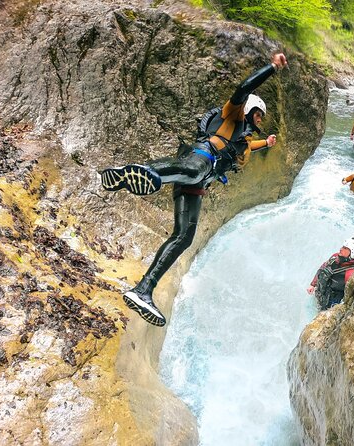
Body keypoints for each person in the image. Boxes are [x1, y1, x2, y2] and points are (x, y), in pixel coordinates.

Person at [100, 53, 289, 326]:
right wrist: (272, 67)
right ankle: (141, 172)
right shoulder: (232, 116)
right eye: (260, 115)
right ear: (250, 111)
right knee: (193, 170)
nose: (261, 120)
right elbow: (242, 89)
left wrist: (268, 143)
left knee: (185, 236)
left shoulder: (244, 141)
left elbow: (253, 148)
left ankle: (143, 290)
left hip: (200, 182)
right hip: (200, 157)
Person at [307, 238, 354, 310]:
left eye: (345, 248)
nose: (341, 249)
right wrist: (312, 284)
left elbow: (348, 298)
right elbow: (323, 267)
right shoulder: (335, 256)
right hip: (321, 292)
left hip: (330, 304)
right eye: (343, 246)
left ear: (353, 254)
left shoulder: (350, 274)